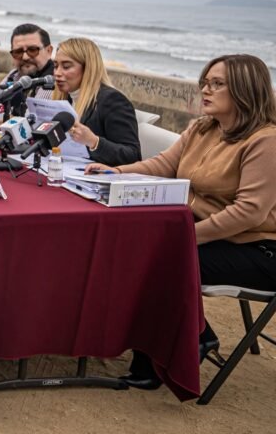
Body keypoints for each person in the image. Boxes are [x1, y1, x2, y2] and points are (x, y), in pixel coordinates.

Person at [87, 54, 276, 389]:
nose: (205, 89)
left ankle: (175, 350)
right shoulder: (203, 128)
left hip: (258, 248)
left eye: (217, 84)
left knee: (153, 261)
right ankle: (196, 333)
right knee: (131, 247)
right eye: (205, 81)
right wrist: (116, 172)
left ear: (245, 91)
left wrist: (185, 237)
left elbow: (250, 212)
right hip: (208, 236)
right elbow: (162, 165)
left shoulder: (266, 141)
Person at [50, 38, 141, 165]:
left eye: (66, 66)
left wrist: (93, 141)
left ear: (88, 68)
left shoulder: (112, 100)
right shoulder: (66, 98)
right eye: (55, 66)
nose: (57, 73)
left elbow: (133, 156)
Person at [4, 23, 56, 117]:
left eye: (32, 50)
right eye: (18, 52)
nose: (25, 57)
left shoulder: (57, 83)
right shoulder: (13, 75)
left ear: (49, 51)